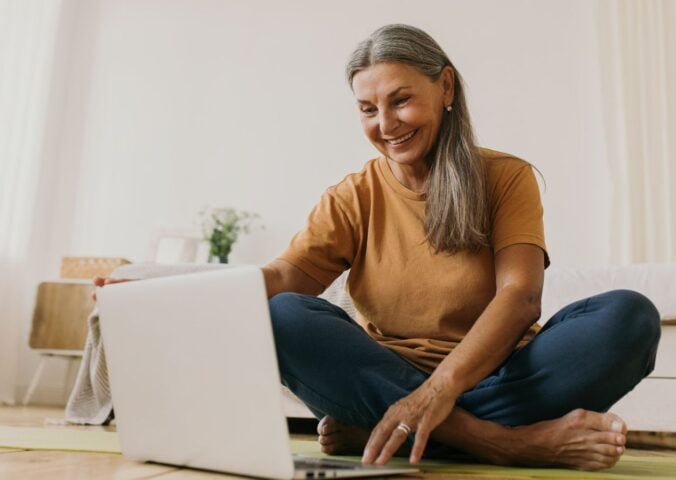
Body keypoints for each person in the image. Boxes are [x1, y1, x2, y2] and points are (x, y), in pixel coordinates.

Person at [95, 24, 660, 472]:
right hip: (381, 380)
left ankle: (389, 432)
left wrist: (435, 395)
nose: (386, 123)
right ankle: (503, 443)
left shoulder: (505, 178)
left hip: (496, 376)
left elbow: (520, 299)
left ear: (446, 87)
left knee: (628, 317)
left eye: (400, 100)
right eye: (368, 109)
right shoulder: (353, 195)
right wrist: (161, 287)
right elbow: (282, 279)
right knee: (284, 315)